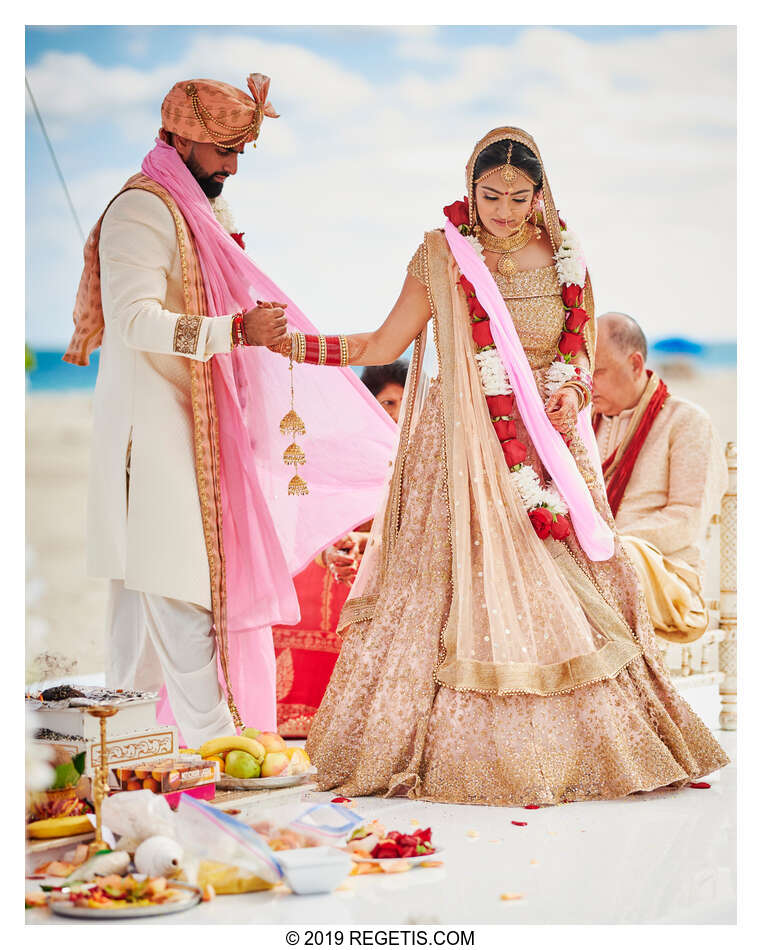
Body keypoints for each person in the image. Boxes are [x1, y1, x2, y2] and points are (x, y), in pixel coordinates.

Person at [272, 127, 728, 806]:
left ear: (540, 195)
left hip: (550, 448)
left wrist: (573, 390)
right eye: (491, 197)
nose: (505, 211)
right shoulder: (441, 257)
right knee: (451, 596)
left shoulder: (569, 257)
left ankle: (588, 750)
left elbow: (577, 350)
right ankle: (467, 755)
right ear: (469, 188)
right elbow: (382, 341)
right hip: (460, 450)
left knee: (573, 593)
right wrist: (290, 343)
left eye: (519, 198)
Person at [63, 74, 397, 747]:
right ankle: (215, 739)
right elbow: (132, 321)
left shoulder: (203, 210)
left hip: (199, 422)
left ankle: (126, 744)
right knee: (174, 579)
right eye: (225, 149)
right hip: (148, 429)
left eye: (241, 150)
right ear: (182, 138)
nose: (233, 165)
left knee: (144, 595)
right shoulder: (142, 211)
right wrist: (234, 334)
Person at [273, 361, 409, 736]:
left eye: (402, 403)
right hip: (345, 550)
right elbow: (319, 511)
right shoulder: (350, 451)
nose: (395, 412)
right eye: (386, 403)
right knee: (315, 570)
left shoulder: (421, 454)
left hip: (393, 554)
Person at [592, 312, 727, 643]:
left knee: (615, 558)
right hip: (594, 562)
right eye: (582, 371)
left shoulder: (687, 422)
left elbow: (687, 519)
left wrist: (607, 544)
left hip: (665, 578)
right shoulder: (581, 423)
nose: (587, 383)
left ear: (636, 364)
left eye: (598, 372)